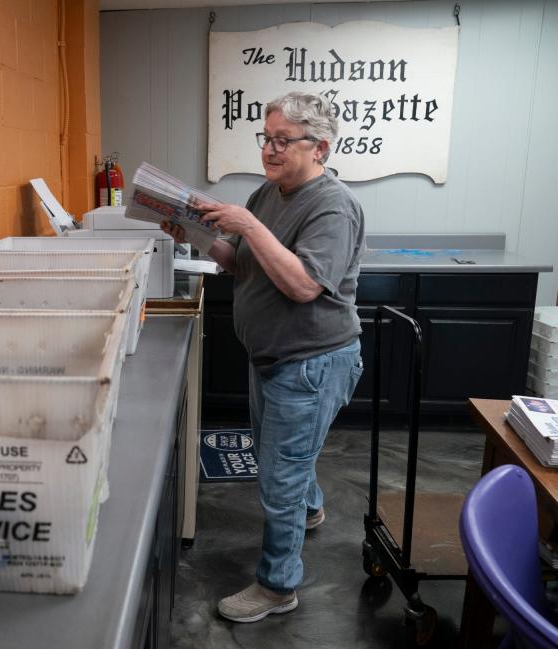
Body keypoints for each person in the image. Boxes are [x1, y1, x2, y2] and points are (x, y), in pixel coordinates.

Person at [161, 91, 365, 623]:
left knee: (278, 477)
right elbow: (242, 263)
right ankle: (311, 507)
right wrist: (197, 235)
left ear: (319, 147)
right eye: (266, 138)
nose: (270, 150)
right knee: (281, 456)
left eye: (282, 140)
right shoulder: (268, 193)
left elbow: (302, 285)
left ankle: (278, 586)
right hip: (273, 357)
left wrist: (248, 225)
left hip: (312, 363)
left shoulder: (332, 205)